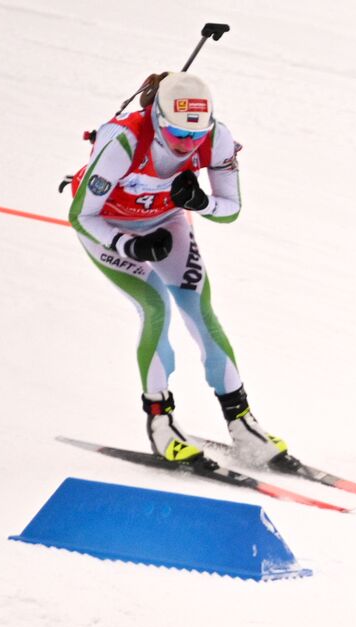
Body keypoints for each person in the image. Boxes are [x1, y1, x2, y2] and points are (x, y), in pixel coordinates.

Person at [67, 71, 291, 468]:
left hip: (167, 221)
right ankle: (160, 423)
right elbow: (82, 216)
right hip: (109, 229)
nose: (187, 145)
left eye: (196, 137)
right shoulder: (124, 142)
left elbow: (230, 210)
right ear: (157, 118)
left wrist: (201, 203)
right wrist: (128, 245)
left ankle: (242, 423)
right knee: (156, 307)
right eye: (177, 136)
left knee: (200, 311)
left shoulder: (216, 138)